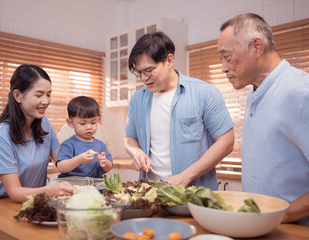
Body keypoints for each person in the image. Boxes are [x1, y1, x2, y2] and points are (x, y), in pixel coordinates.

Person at [217, 13, 309, 224]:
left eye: (226, 57)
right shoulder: (254, 94)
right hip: (260, 227)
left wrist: (281, 215)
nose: (223, 67)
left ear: (257, 47)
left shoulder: (301, 93)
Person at [124, 31, 234, 189]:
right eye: (139, 73)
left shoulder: (204, 93)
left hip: (194, 194)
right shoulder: (137, 99)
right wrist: (136, 152)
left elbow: (226, 142)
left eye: (149, 70)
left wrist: (185, 176)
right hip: (150, 192)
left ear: (169, 61)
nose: (144, 78)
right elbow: (129, 138)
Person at [0, 64, 74, 202]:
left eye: (48, 95)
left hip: (33, 203)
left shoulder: (45, 124)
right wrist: (51, 190)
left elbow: (62, 163)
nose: (46, 101)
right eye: (39, 95)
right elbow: (15, 192)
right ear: (18, 96)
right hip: (0, 206)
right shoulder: (0, 136)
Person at [56, 96, 113, 178]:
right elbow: (61, 167)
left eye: (93, 122)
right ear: (70, 123)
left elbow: (109, 167)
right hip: (72, 185)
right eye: (83, 123)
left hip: (94, 185)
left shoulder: (100, 145)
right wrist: (78, 160)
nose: (89, 127)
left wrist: (105, 163)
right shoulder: (68, 144)